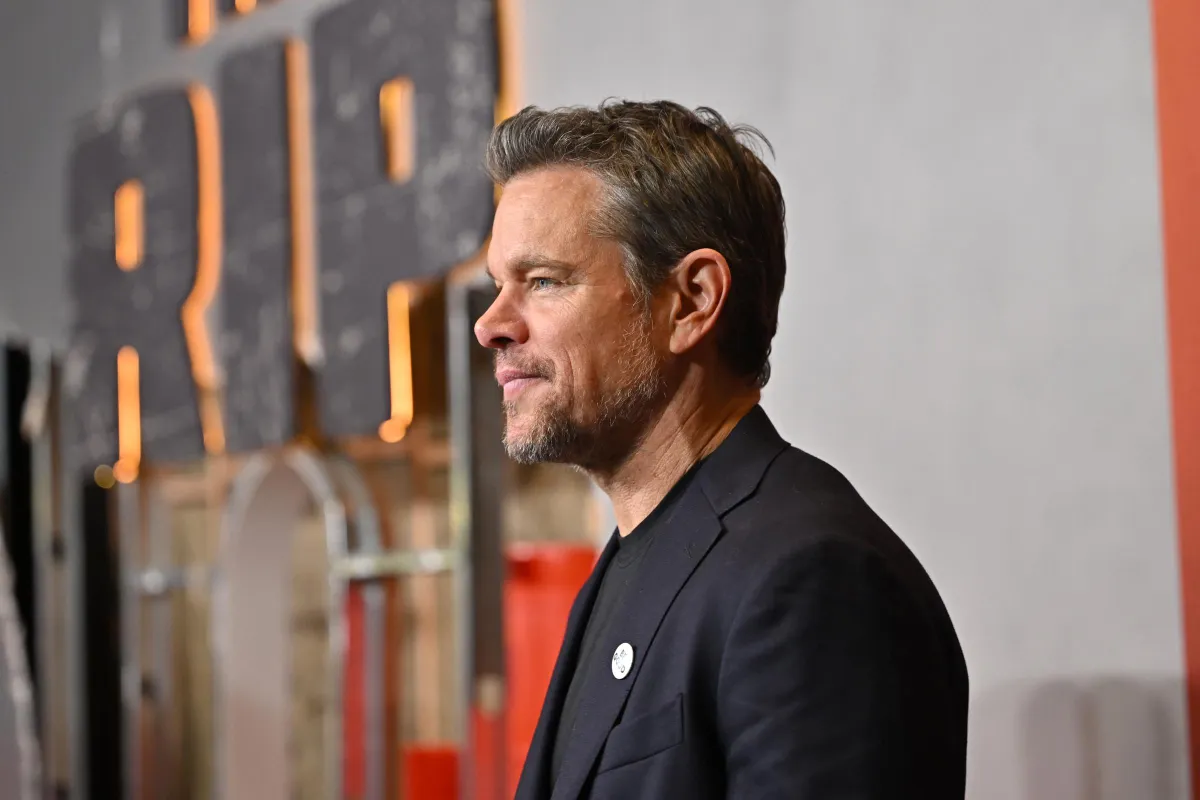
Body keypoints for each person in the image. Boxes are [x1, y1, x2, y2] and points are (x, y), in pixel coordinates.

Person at [475, 100, 968, 800]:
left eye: (544, 281)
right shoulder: (630, 563)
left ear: (691, 301)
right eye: (499, 285)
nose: (490, 325)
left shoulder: (810, 577)